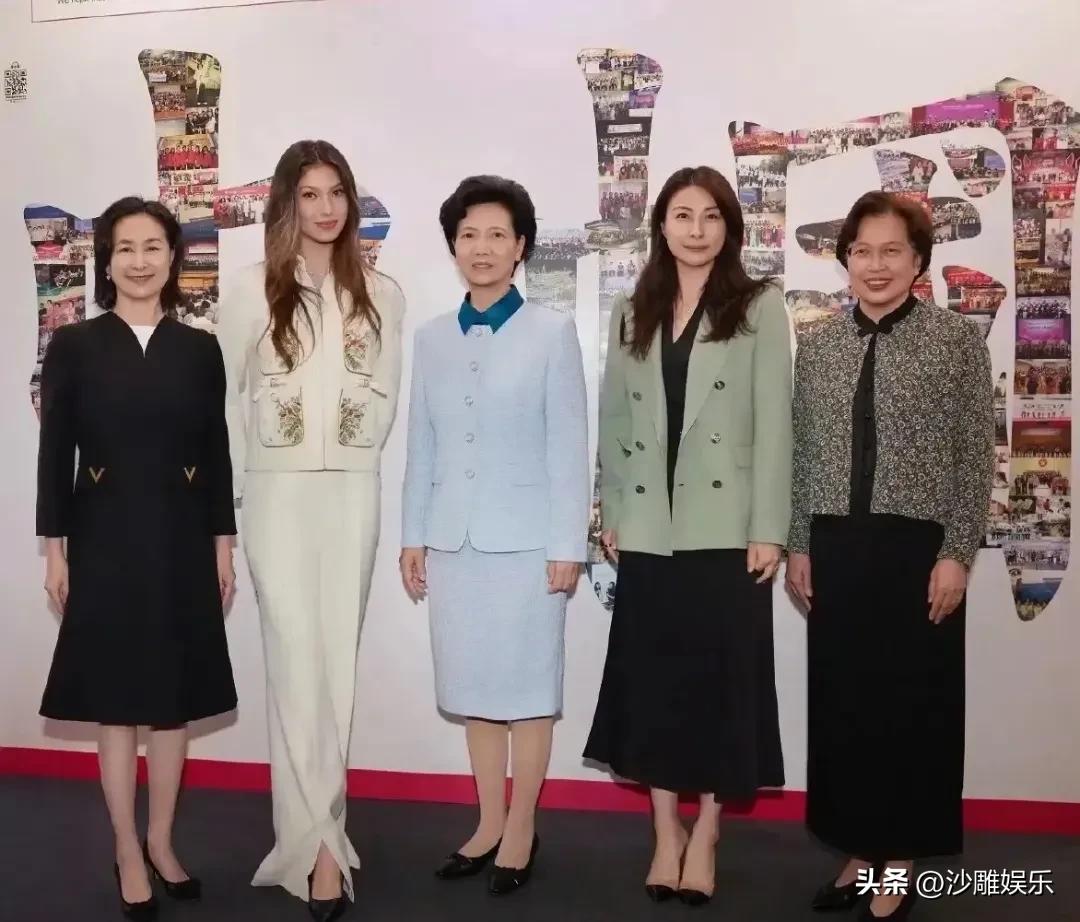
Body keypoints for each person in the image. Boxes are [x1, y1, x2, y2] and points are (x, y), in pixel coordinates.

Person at [583, 166, 792, 906]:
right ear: (661, 226)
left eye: (710, 216)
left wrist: (770, 528)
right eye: (681, 215)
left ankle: (706, 830)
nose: (695, 229)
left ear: (729, 226)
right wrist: (611, 508)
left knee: (719, 686)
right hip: (649, 525)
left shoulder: (759, 305)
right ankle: (664, 829)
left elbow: (775, 424)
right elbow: (615, 419)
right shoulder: (631, 308)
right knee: (655, 684)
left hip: (728, 529)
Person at [785, 191, 995, 921]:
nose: (875, 265)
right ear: (845, 260)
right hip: (837, 547)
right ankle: (855, 848)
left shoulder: (956, 341)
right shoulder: (819, 346)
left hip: (918, 553)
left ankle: (899, 858)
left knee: (912, 709)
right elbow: (804, 453)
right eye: (862, 251)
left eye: (891, 251)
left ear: (918, 261)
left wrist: (957, 552)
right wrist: (801, 543)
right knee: (842, 708)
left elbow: (976, 455)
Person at [217, 139, 404, 920]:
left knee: (337, 669)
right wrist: (230, 508)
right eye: (310, 194)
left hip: (352, 493)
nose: (326, 208)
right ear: (286, 205)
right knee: (294, 664)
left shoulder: (382, 294)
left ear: (351, 202)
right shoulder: (248, 290)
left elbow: (385, 398)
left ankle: (317, 838)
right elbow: (226, 404)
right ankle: (320, 847)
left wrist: (349, 457)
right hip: (275, 496)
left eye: (337, 193)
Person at [37, 196, 237, 921]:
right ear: (107, 260)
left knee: (173, 705)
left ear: (173, 258)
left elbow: (215, 454)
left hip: (183, 540)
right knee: (118, 706)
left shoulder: (200, 349)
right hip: (104, 541)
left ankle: (161, 841)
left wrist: (223, 545)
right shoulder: (75, 345)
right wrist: (55, 552)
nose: (141, 261)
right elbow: (55, 454)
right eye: (126, 248)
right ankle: (126, 847)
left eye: (154, 246)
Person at [400, 175, 589, 896]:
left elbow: (567, 446)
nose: (482, 247)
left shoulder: (551, 332)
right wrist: (413, 534)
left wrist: (567, 544)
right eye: (469, 234)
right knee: (475, 689)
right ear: (454, 245)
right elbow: (422, 445)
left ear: (521, 248)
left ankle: (521, 828)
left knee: (529, 690)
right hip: (453, 545)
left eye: (497, 235)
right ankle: (487, 822)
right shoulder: (430, 338)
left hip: (529, 548)